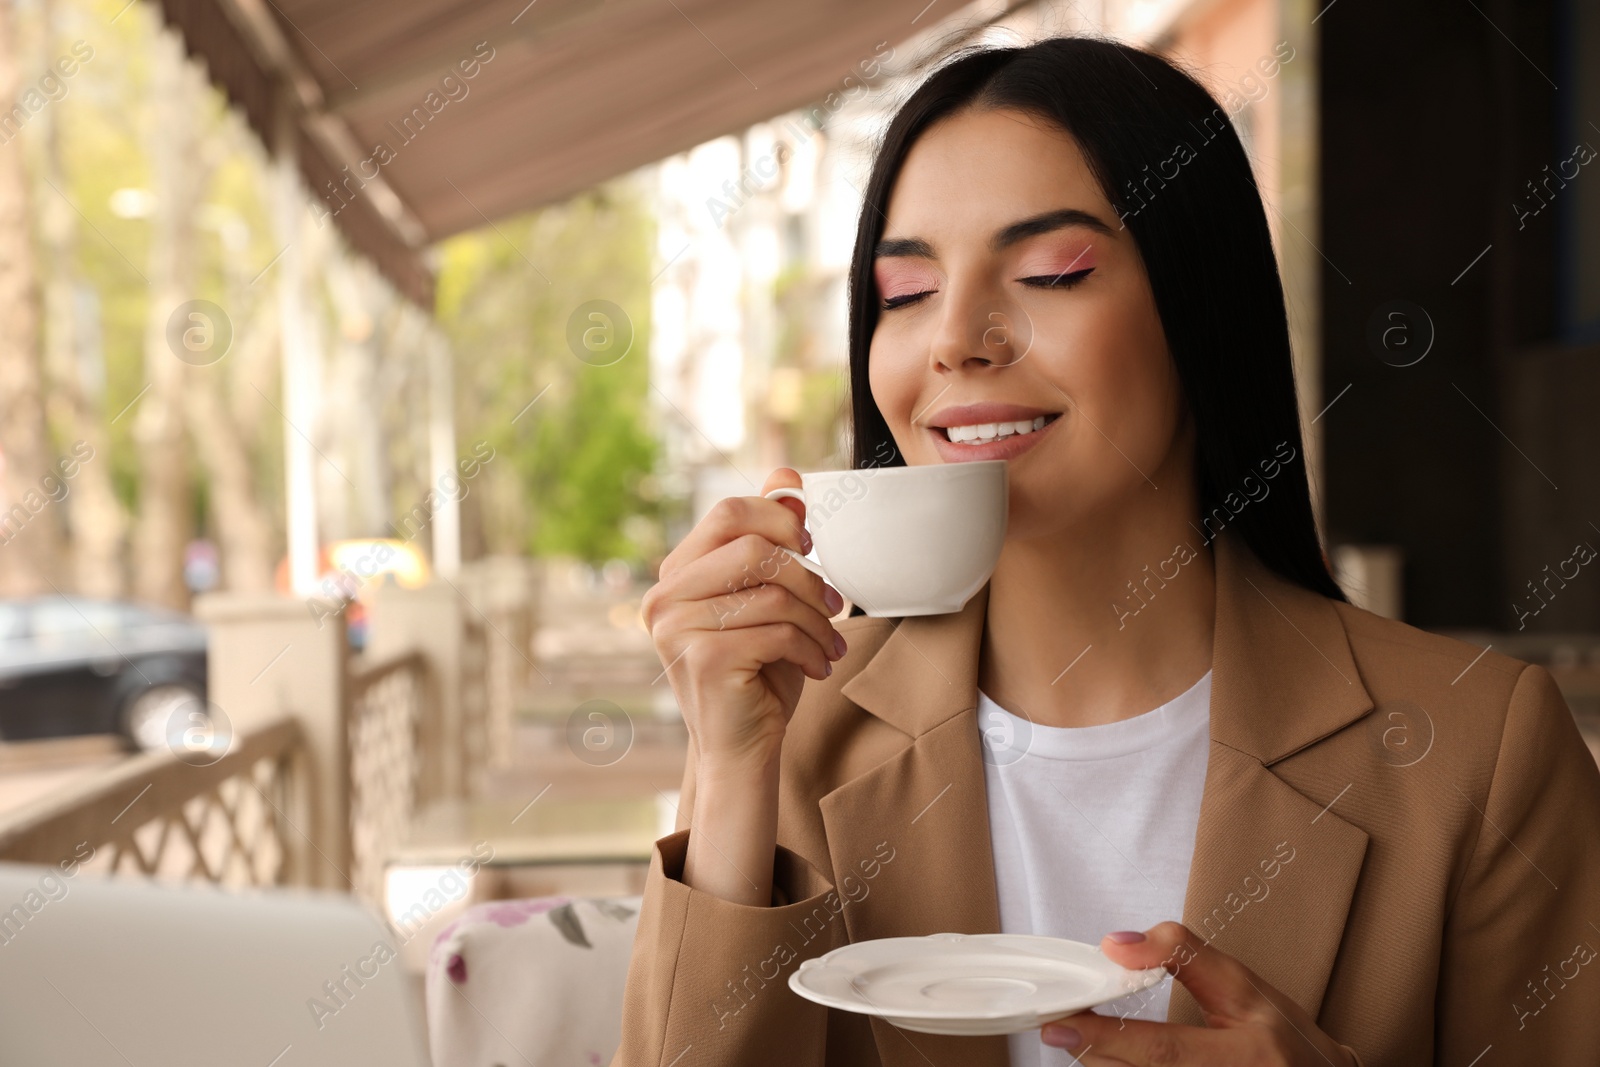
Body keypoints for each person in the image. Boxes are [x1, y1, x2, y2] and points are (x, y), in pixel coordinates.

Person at [613, 35, 1600, 1067]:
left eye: (1052, 270)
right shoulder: (793, 726)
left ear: (1198, 309)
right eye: (904, 292)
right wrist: (725, 769)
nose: (955, 336)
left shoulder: (1479, 752)